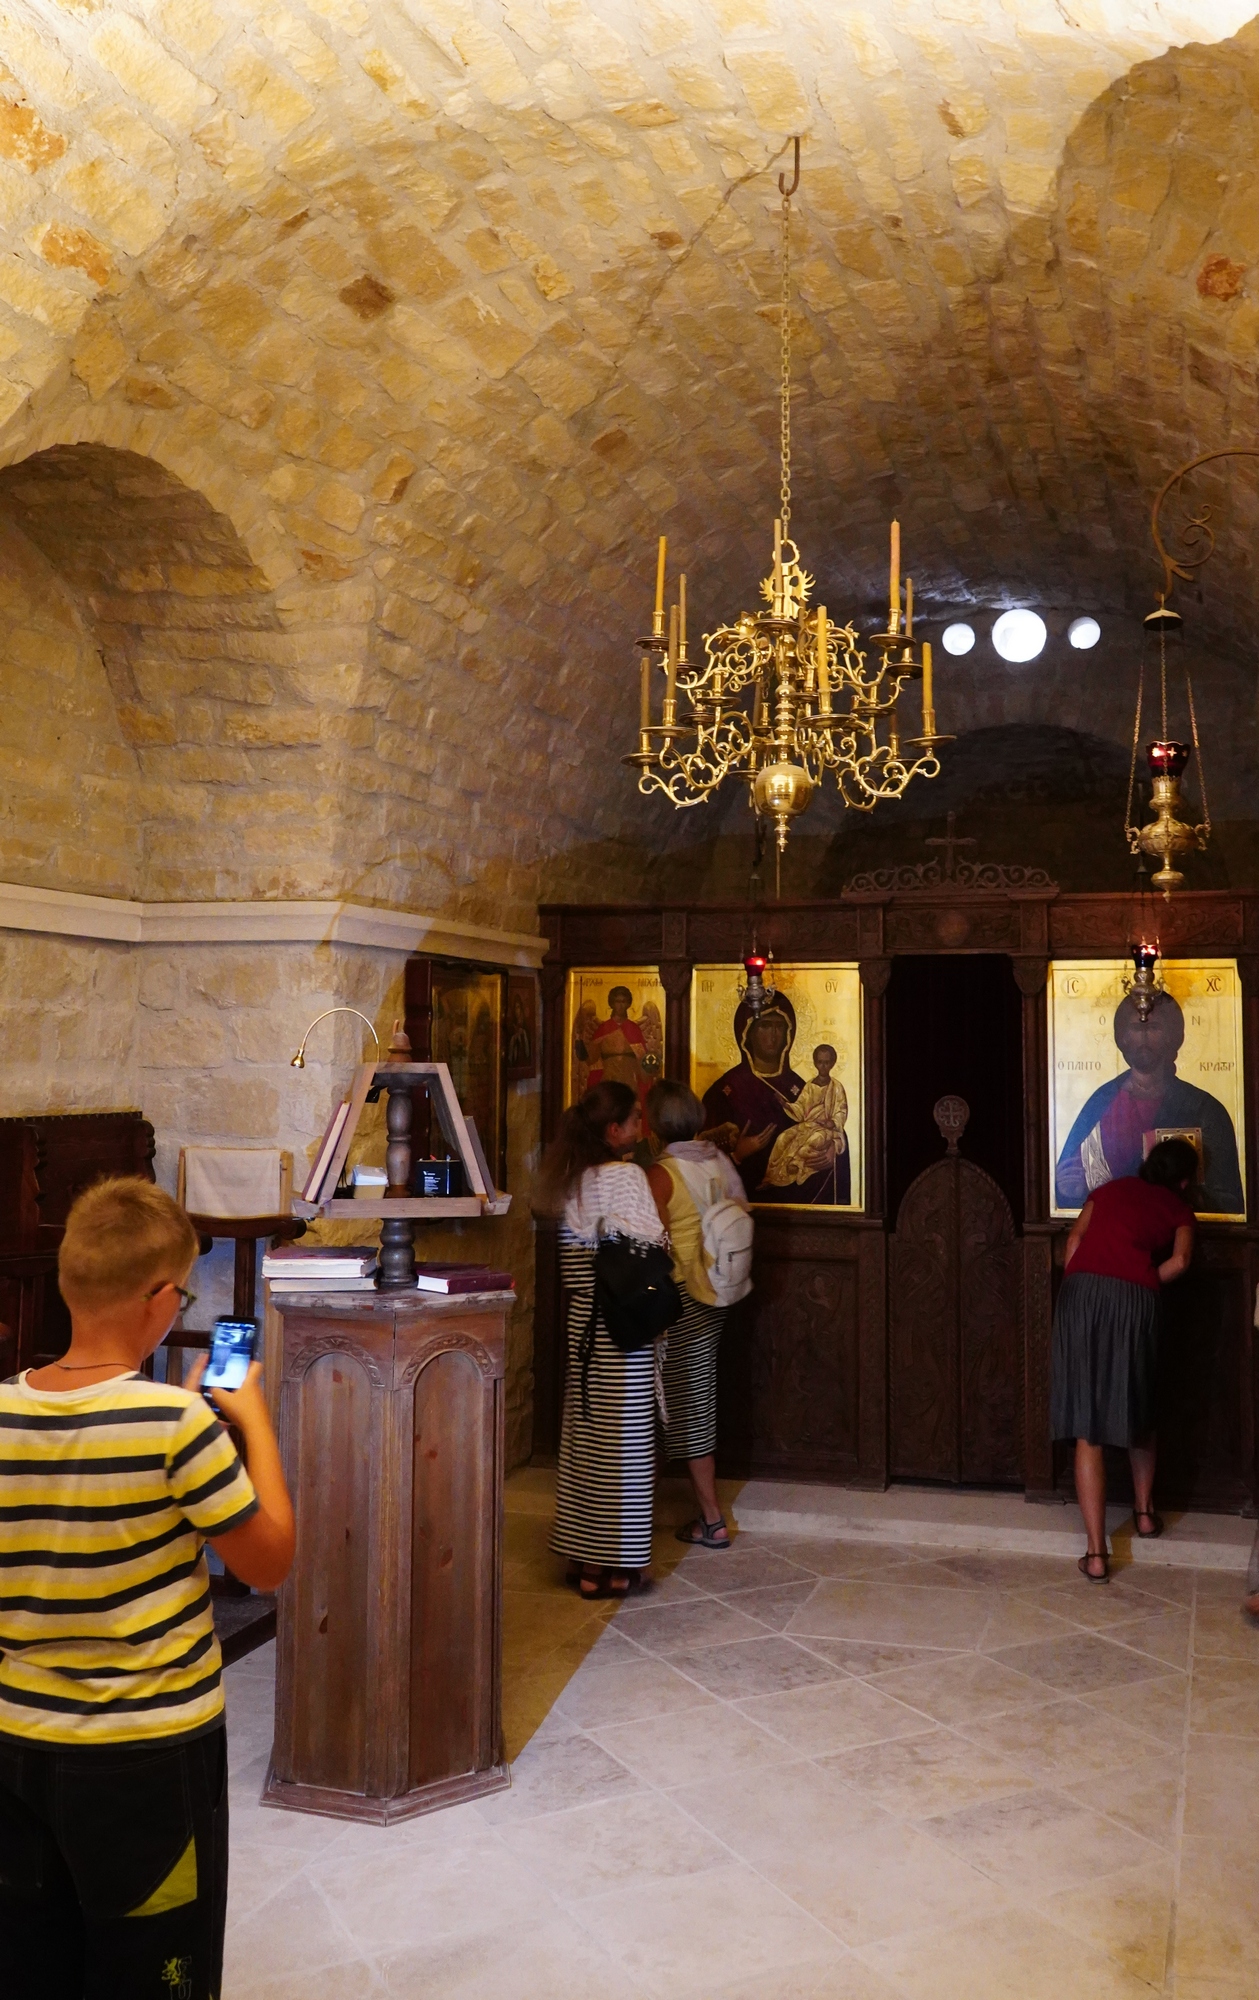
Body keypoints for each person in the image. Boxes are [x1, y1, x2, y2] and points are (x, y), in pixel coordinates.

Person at [0, 1176, 295, 2000]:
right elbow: (267, 1561)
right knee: (158, 1967)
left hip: (17, 1742)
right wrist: (254, 1422)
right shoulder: (176, 1421)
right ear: (160, 1300)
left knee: (34, 1959)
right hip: (149, 1758)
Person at [538, 1082, 671, 1599]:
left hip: (584, 1326)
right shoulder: (629, 1177)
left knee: (587, 1439)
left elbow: (575, 1265)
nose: (642, 1128)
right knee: (628, 1447)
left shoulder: (573, 1178)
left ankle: (584, 1558)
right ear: (614, 1130)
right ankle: (615, 1565)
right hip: (626, 1326)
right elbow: (653, 1250)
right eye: (635, 1120)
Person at [1051, 1137, 1196, 1583]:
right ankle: (1145, 1513)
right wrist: (1144, 1278)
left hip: (1082, 1295)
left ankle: (1096, 1554)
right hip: (1134, 1299)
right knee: (1139, 1403)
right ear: (1185, 1180)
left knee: (1086, 1424)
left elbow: (1074, 1240)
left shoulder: (1109, 1190)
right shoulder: (1178, 1209)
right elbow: (1182, 1261)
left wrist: (1081, 1285)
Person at [645, 1080, 751, 1550]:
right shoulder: (717, 1158)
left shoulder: (662, 1173)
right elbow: (742, 1210)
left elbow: (650, 1242)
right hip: (720, 1292)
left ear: (654, 1125)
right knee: (690, 1392)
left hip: (683, 1294)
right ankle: (644, 1509)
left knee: (684, 1400)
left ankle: (711, 1519)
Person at [1055, 991, 1243, 1214]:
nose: (1144, 1039)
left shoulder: (1203, 1108)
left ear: (1172, 1036)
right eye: (1136, 1028)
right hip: (1116, 1231)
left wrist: (1185, 1195)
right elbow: (1068, 1190)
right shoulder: (1102, 1102)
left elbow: (1229, 1201)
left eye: (1154, 1028)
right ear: (1122, 1038)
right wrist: (1070, 1191)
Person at [701, 994, 852, 1206]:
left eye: (779, 1027)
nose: (773, 1035)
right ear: (748, 1032)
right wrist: (737, 1154)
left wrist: (832, 1151)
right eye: (764, 1026)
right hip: (741, 1203)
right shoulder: (725, 1091)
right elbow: (701, 1153)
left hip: (800, 1203)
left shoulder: (801, 1086)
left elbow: (829, 1123)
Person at [762, 1043, 848, 1197]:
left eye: (827, 1062)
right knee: (783, 1139)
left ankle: (797, 1166)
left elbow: (841, 1110)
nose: (823, 1066)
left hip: (826, 1130)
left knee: (811, 1143)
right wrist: (786, 1105)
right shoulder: (809, 1086)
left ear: (833, 1063)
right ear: (815, 1063)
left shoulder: (836, 1087)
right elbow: (801, 1109)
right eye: (820, 1062)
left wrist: (833, 1122)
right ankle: (772, 1176)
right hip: (807, 1125)